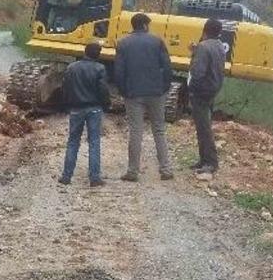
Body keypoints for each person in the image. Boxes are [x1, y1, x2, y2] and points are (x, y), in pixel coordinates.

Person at [114, 13, 174, 181]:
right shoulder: (157, 41)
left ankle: (133, 171)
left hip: (133, 93)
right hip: (156, 92)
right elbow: (167, 67)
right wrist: (164, 87)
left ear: (133, 25)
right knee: (159, 130)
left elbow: (119, 71)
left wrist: (123, 91)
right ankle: (166, 169)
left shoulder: (123, 43)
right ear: (146, 25)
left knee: (135, 131)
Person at [58, 42, 111, 187]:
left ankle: (66, 176)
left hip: (76, 109)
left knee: (73, 141)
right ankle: (94, 178)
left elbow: (65, 88)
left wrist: (66, 105)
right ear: (98, 54)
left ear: (85, 52)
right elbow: (103, 90)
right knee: (94, 142)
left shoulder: (72, 67)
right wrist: (106, 105)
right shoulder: (100, 68)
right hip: (94, 108)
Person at [188, 19, 227, 174]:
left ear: (204, 30)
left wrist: (192, 88)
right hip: (212, 90)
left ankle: (210, 162)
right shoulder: (219, 46)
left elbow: (198, 72)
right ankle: (203, 160)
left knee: (203, 128)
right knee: (204, 126)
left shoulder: (203, 47)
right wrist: (196, 50)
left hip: (201, 92)